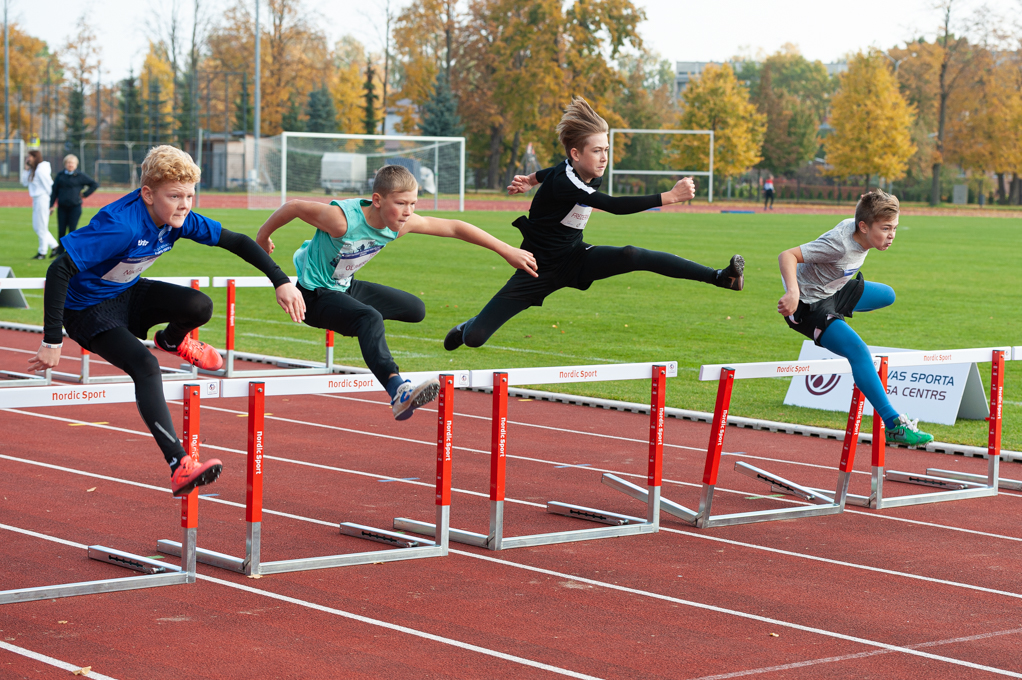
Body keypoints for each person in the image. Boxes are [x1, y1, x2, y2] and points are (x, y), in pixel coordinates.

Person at [28, 145, 306, 496]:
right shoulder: (121, 226)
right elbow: (59, 269)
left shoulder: (179, 217)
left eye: (190, 195)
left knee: (199, 305)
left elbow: (235, 241)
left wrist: (281, 281)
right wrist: (52, 340)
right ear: (148, 194)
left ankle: (172, 340)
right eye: (175, 196)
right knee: (145, 366)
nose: (185, 205)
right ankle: (179, 464)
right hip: (86, 310)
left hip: (127, 292)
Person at [443, 96, 744, 352]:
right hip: (536, 268)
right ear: (576, 154)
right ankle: (466, 327)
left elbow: (551, 171)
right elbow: (613, 206)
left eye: (606, 150)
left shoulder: (580, 170)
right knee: (475, 339)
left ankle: (720, 277)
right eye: (597, 151)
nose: (604, 158)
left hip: (575, 257)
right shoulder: (567, 182)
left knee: (632, 254)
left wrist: (531, 179)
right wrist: (670, 197)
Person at [255, 164, 538, 420]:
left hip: (345, 287)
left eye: (413, 204)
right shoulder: (341, 220)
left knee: (415, 310)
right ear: (377, 200)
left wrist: (506, 250)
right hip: (313, 297)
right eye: (401, 203)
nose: (408, 212)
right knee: (370, 318)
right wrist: (263, 237)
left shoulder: (400, 224)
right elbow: (293, 206)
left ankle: (357, 322)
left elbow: (454, 227)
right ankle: (398, 391)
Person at [777, 189, 933, 446]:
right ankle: (893, 424)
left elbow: (867, 210)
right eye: (885, 228)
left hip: (834, 291)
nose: (892, 235)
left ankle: (835, 320)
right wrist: (792, 293)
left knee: (887, 295)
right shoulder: (838, 245)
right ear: (863, 227)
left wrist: (870, 199)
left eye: (894, 228)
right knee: (859, 352)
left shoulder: (861, 224)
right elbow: (787, 255)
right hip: (807, 307)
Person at [49, 154, 99, 257]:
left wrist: (85, 194)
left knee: (72, 230)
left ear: (76, 165)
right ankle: (60, 253)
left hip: (75, 207)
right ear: (65, 164)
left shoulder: (80, 176)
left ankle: (70, 253)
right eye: (68, 163)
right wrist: (51, 205)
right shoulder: (60, 176)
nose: (70, 165)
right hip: (62, 207)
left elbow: (94, 184)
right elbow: (54, 191)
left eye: (72, 163)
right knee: (61, 230)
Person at [20, 149, 58, 259]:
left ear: (35, 157)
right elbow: (24, 182)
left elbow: (49, 186)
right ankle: (54, 246)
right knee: (37, 226)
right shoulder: (33, 169)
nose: (28, 159)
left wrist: (51, 204)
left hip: (43, 199)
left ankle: (42, 252)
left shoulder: (41, 170)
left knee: (41, 226)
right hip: (37, 199)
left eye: (29, 157)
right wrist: (26, 168)